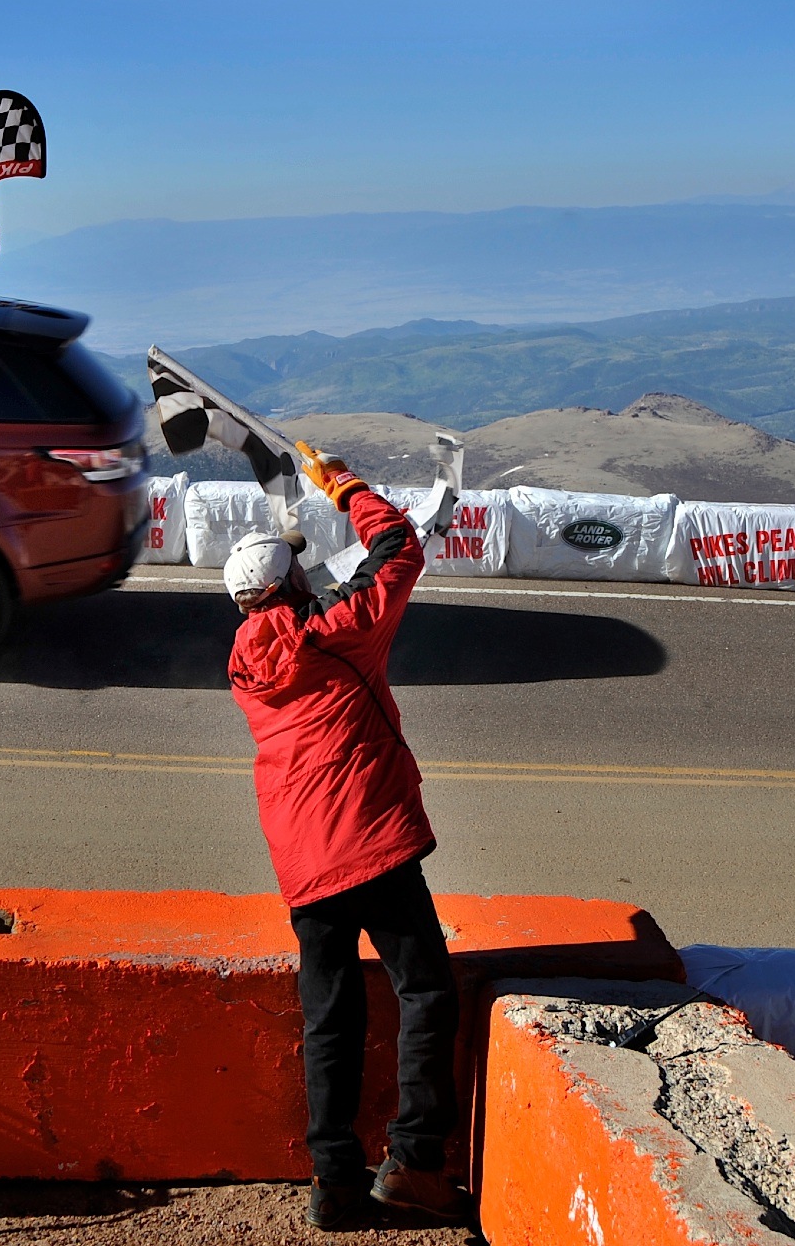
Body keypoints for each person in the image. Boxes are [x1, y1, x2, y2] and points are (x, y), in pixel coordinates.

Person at [223, 446, 469, 1229]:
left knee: (331, 1015)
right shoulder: (340, 629)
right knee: (426, 988)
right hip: (369, 838)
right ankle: (416, 1162)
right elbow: (398, 544)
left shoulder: (243, 665)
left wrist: (299, 571)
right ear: (294, 586)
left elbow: (291, 620)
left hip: (301, 860)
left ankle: (335, 1181)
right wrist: (342, 485)